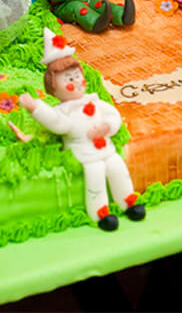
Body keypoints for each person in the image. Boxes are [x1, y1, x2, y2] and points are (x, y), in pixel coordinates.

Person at [18, 28, 145, 231]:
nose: (76, 81)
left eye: (77, 76)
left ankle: (128, 202)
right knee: (95, 178)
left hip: (106, 149)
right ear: (53, 86)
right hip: (85, 155)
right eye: (69, 79)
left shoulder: (94, 101)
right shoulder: (64, 111)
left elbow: (113, 115)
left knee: (118, 168)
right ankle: (101, 213)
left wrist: (107, 126)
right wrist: (36, 107)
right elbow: (58, 124)